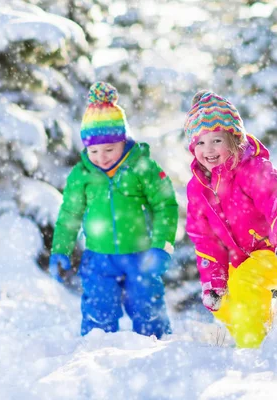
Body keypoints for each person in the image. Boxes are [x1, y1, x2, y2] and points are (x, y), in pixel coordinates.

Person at [49, 82, 178, 339]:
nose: (102, 157)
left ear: (124, 140)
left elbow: (165, 206)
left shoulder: (142, 167)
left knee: (148, 310)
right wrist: (60, 249)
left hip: (141, 256)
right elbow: (69, 216)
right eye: (94, 150)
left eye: (109, 149)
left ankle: (156, 353)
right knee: (98, 311)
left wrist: (161, 246)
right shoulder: (82, 174)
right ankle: (98, 357)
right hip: (98, 259)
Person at [184, 90, 277, 348]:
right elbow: (204, 239)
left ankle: (255, 351)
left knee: (246, 281)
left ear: (233, 139)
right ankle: (269, 332)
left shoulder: (253, 169)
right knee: (221, 301)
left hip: (274, 249)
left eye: (216, 140)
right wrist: (213, 279)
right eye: (200, 143)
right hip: (240, 259)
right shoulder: (198, 188)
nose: (208, 150)